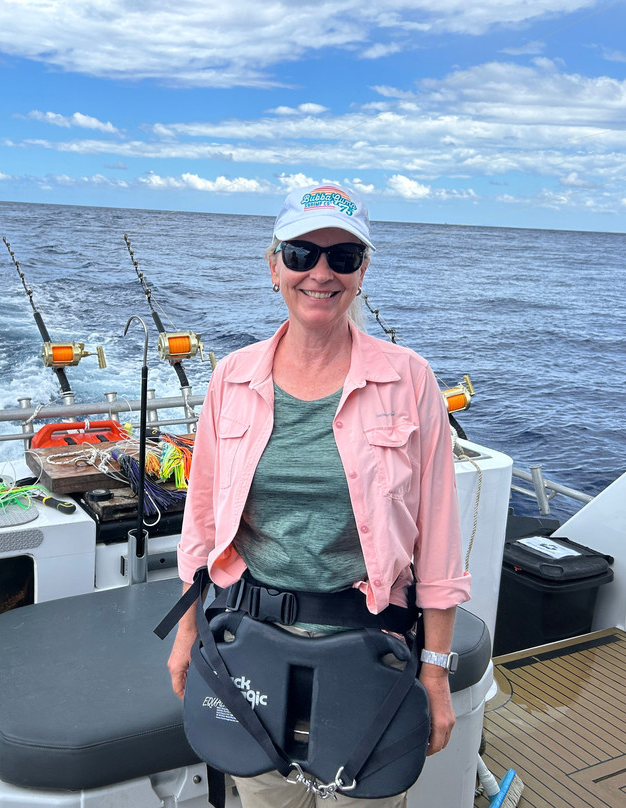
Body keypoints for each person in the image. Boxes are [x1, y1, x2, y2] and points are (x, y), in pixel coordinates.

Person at [166, 183, 471, 808]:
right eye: (302, 254)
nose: (321, 273)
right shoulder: (233, 375)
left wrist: (435, 673)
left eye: (343, 257)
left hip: (369, 653)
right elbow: (202, 521)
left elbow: (438, 541)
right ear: (274, 266)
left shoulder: (409, 378)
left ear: (362, 271)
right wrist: (185, 634)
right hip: (249, 646)